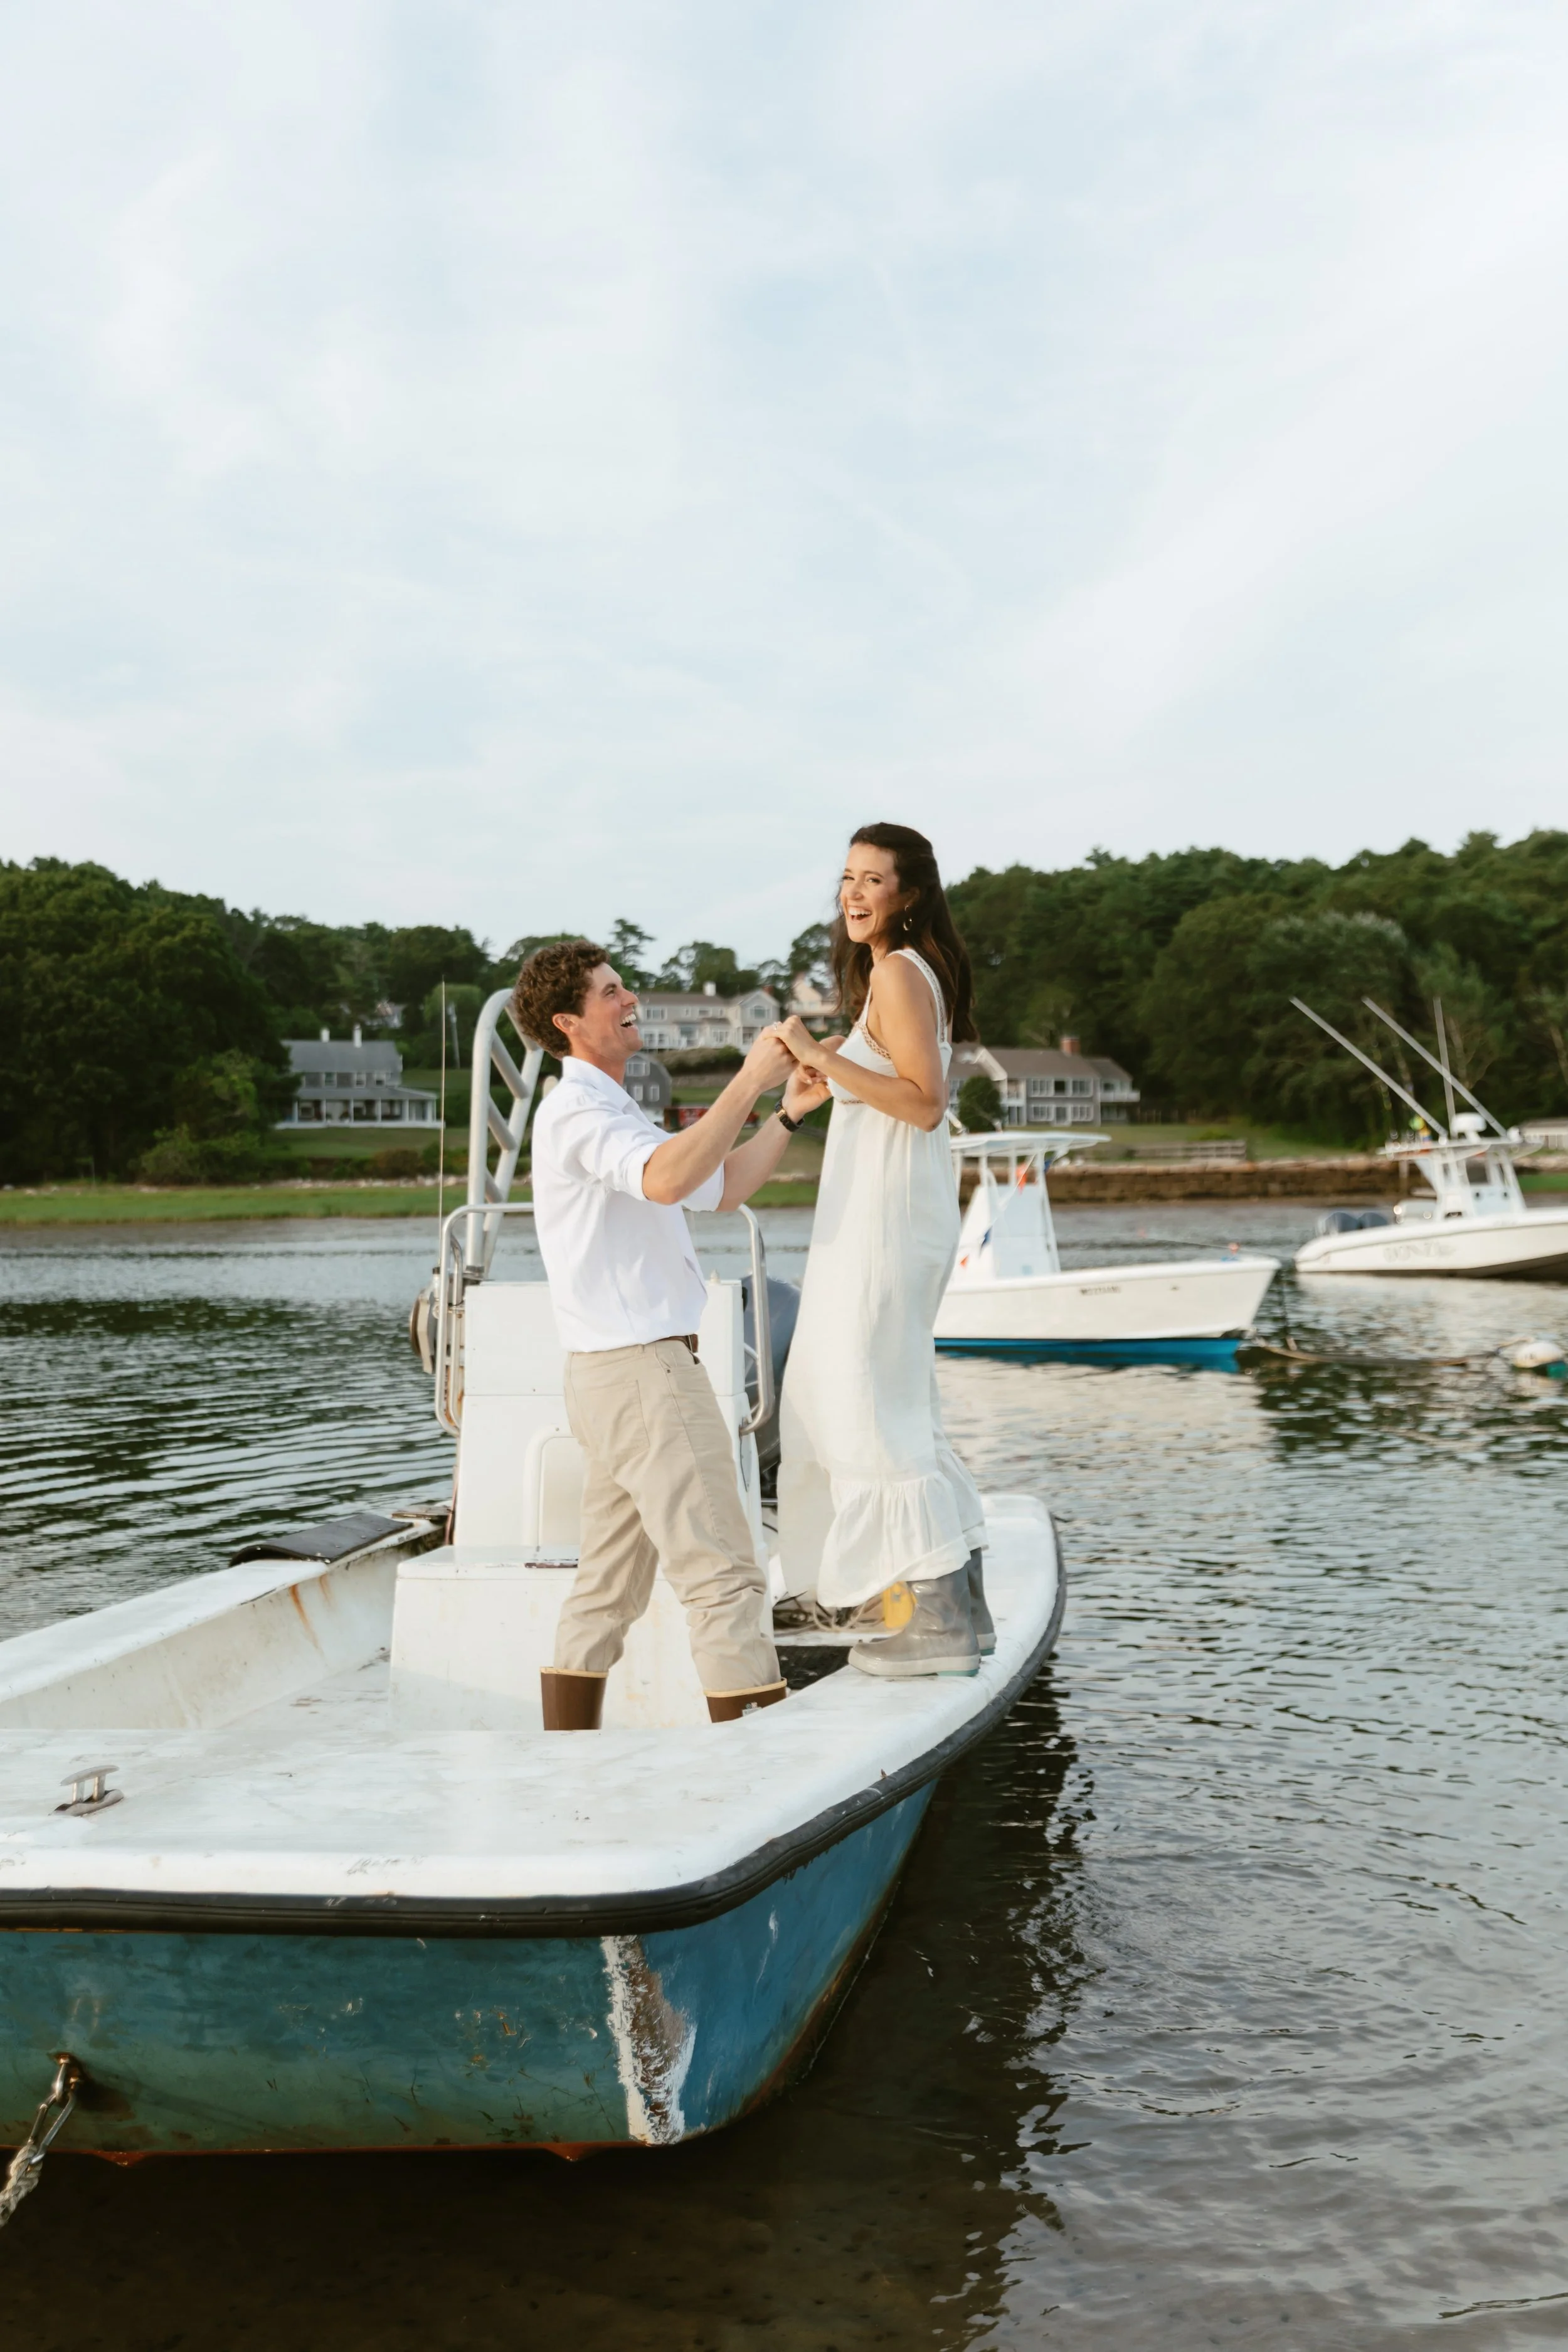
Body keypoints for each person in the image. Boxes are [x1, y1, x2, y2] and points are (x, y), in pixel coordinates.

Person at [513, 940, 829, 1729]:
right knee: (725, 1576)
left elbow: (718, 1188)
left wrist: (785, 1108)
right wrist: (747, 1080)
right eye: (611, 992)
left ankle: (567, 1753)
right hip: (646, 1377)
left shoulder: (610, 1108)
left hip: (609, 1379)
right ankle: (761, 1783)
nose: (631, 1000)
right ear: (568, 1022)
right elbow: (666, 1179)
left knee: (607, 1587)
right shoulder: (579, 1112)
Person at [773, 825, 991, 1678]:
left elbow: (926, 1103)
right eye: (847, 878)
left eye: (874, 880)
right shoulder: (893, 975)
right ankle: (901, 1590)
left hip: (888, 1223)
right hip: (879, 1214)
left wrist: (819, 1051)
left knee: (865, 1399)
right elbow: (892, 1093)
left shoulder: (901, 972)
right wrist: (822, 1085)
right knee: (854, 1392)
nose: (854, 895)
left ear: (910, 893)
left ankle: (931, 1613)